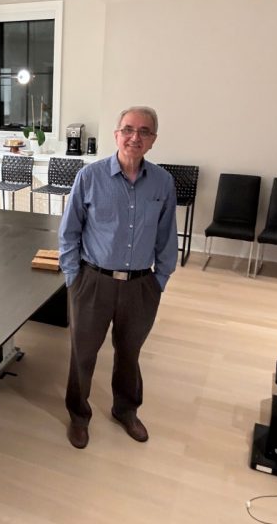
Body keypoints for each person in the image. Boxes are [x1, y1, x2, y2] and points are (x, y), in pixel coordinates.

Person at [59, 106, 177, 449]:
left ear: (153, 140)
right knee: (83, 353)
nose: (134, 137)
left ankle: (126, 410)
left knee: (130, 352)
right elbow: (69, 233)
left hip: (141, 285)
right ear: (116, 135)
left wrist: (160, 281)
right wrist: (73, 278)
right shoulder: (89, 177)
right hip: (93, 282)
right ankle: (79, 416)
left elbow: (167, 236)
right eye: (128, 129)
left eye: (144, 132)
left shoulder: (162, 182)